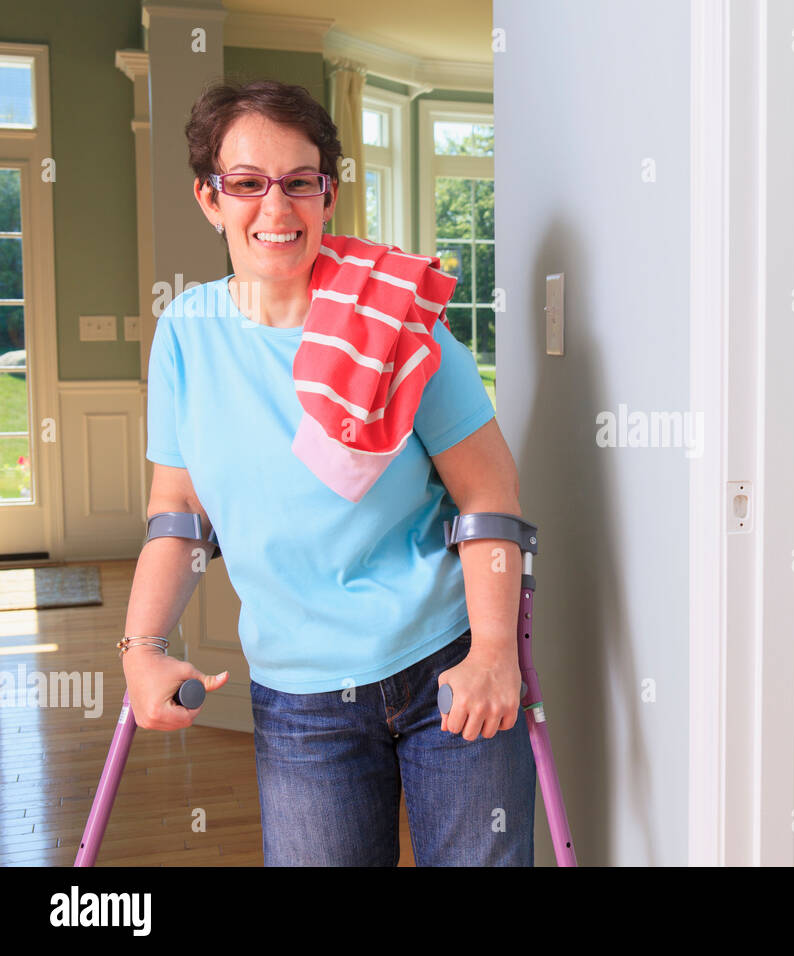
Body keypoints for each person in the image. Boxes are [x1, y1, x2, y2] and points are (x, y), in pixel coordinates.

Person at [120, 79, 536, 866]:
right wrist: (142, 646)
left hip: (445, 661)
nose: (275, 209)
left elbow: (489, 495)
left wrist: (491, 653)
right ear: (210, 198)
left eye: (298, 182)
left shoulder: (396, 319)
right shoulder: (186, 335)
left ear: (328, 193)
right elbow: (178, 512)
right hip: (301, 689)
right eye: (246, 183)